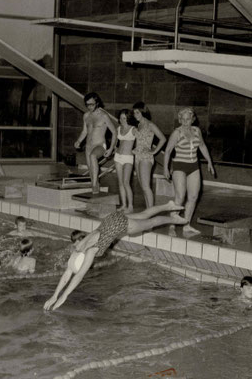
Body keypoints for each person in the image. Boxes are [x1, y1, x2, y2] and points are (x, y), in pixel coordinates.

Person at [43, 201, 188, 311]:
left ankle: (174, 219)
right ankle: (168, 206)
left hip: (120, 225)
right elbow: (67, 275)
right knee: (144, 214)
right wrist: (54, 295)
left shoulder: (90, 251)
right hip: (110, 220)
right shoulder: (78, 248)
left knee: (151, 222)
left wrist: (64, 296)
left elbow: (78, 276)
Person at [163, 108, 215, 236]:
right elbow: (168, 151)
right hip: (179, 165)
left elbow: (202, 146)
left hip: (194, 166)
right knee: (180, 196)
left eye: (188, 119)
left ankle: (186, 225)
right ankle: (172, 223)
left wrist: (209, 162)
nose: (186, 122)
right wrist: (165, 168)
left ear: (192, 119)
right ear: (180, 120)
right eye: (183, 119)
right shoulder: (177, 132)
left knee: (193, 197)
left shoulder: (196, 131)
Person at [74, 92, 117, 193]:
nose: (89, 107)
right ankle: (95, 188)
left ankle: (94, 185)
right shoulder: (86, 116)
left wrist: (111, 149)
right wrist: (79, 140)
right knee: (92, 174)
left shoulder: (104, 116)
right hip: (89, 146)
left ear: (97, 103)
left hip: (100, 145)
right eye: (87, 105)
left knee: (93, 157)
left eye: (92, 104)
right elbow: (85, 131)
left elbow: (114, 132)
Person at [132, 102, 166, 208]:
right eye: (134, 113)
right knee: (143, 187)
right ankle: (148, 210)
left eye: (137, 112)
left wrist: (154, 151)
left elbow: (163, 139)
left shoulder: (150, 124)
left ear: (143, 112)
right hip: (137, 156)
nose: (135, 115)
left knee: (146, 186)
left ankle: (151, 211)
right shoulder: (138, 125)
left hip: (146, 157)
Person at [114, 109, 138, 212]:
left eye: (124, 118)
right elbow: (115, 143)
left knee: (126, 182)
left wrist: (136, 150)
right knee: (120, 182)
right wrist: (113, 149)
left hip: (128, 157)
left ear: (128, 118)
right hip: (118, 157)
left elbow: (142, 140)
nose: (122, 120)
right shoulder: (118, 129)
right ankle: (124, 205)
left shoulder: (133, 129)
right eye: (120, 118)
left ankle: (130, 206)